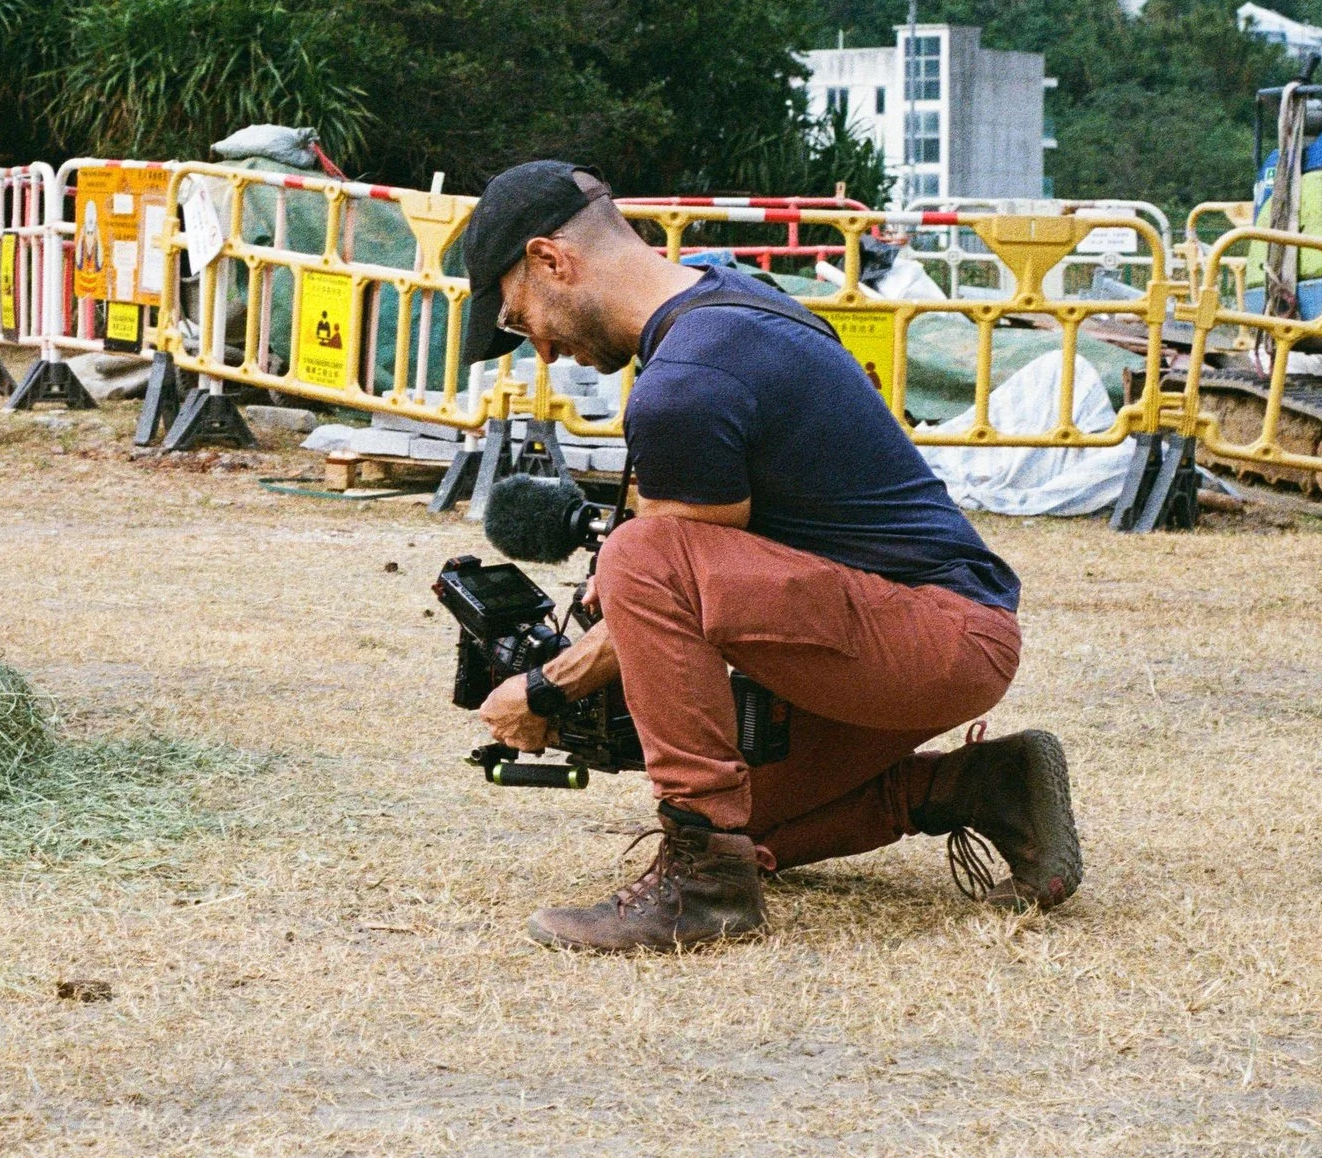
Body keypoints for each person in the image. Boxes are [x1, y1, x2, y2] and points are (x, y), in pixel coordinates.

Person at [460, 161, 1081, 954]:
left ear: (552, 260)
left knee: (639, 557)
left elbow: (660, 570)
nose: (540, 351)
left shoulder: (686, 378)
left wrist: (545, 688)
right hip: (925, 632)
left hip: (933, 636)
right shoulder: (723, 295)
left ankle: (702, 886)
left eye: (519, 321)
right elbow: (713, 555)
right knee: (751, 817)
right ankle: (981, 784)